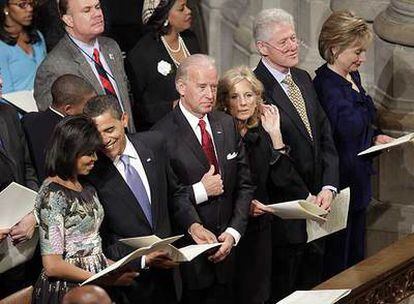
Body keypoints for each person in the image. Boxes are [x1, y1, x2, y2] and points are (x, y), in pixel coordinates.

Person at [83, 95, 216, 304]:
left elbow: (175, 193)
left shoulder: (154, 143)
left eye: (109, 130)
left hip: (172, 276)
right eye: (95, 134)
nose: (104, 141)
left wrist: (193, 224)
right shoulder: (91, 173)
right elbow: (101, 237)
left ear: (124, 119)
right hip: (131, 283)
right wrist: (143, 260)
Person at [252, 8, 339, 302]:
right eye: (284, 41)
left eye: (294, 38)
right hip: (287, 217)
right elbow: (270, 160)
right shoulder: (255, 90)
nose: (292, 46)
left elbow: (325, 137)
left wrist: (328, 187)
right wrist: (306, 197)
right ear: (262, 48)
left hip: (320, 208)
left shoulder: (302, 78)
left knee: (316, 288)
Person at [153, 54, 254, 304]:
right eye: (202, 87)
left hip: (232, 254)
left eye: (214, 87)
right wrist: (200, 190)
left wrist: (233, 231)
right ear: (181, 87)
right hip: (192, 264)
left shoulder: (226, 124)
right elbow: (166, 196)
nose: (210, 94)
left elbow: (244, 183)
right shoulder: (160, 135)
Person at [314, 10, 393, 278]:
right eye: (357, 51)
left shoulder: (352, 77)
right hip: (339, 186)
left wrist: (375, 136)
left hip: (358, 181)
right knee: (338, 262)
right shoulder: (325, 86)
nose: (363, 58)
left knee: (355, 259)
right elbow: (331, 140)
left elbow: (362, 121)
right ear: (335, 48)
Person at [32, 115, 138, 303]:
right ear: (69, 152)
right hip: (68, 290)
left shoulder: (86, 186)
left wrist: (115, 268)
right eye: (88, 153)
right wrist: (105, 277)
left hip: (96, 280)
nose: (95, 159)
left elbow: (91, 246)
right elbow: (53, 265)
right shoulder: (53, 196)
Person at [217, 66, 296, 304]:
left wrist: (276, 137)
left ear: (257, 98)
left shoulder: (262, 133)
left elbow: (283, 181)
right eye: (234, 96)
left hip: (261, 229)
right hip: (227, 228)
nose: (242, 103)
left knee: (259, 294)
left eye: (248, 95)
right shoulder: (219, 133)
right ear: (225, 102)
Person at [33, 0, 135, 132]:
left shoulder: (111, 47)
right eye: (87, 10)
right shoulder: (52, 68)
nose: (97, 13)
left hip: (129, 140)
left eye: (97, 7)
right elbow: (55, 128)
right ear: (68, 20)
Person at [127, 0, 201, 130]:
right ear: (164, 15)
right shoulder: (142, 54)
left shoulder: (190, 39)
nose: (189, 11)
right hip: (163, 130)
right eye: (181, 8)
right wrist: (173, 106)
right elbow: (138, 109)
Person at [0, 75, 39, 298]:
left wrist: (32, 212)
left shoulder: (8, 114)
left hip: (22, 238)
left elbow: (28, 168)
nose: (1, 81)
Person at [22, 74, 97, 182]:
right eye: (87, 106)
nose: (91, 111)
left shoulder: (28, 120)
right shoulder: (73, 135)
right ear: (68, 109)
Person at [0, 0, 46, 93]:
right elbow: (6, 93)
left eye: (31, 3)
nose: (30, 9)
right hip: (16, 105)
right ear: (6, 8)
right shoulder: (2, 46)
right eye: (22, 4)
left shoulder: (37, 36)